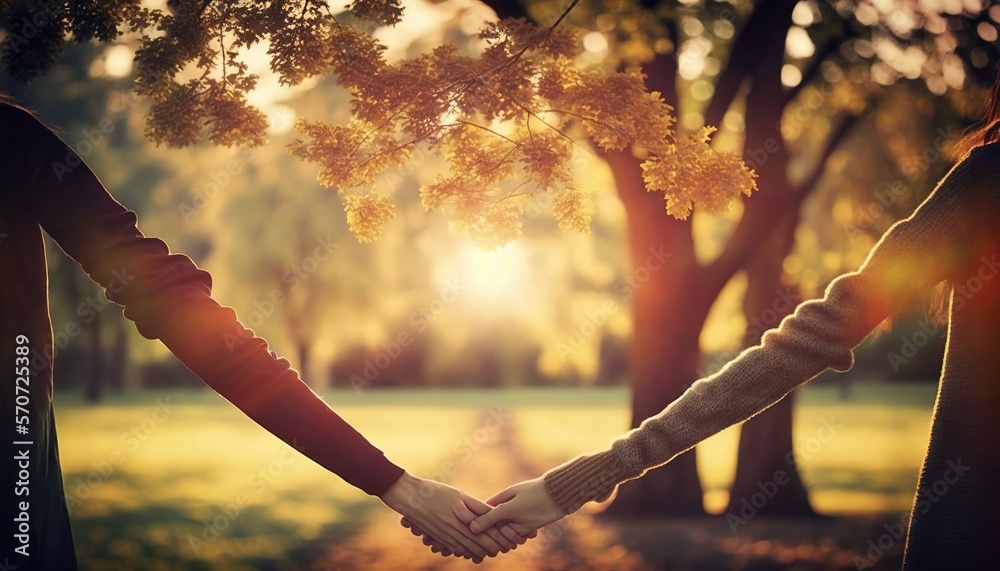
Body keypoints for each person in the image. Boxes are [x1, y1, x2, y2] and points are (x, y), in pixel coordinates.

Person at [462, 74, 1000, 569]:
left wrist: (574, 484)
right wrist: (580, 481)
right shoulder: (986, 188)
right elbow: (805, 343)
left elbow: (806, 344)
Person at [0, 96, 524, 569]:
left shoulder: (13, 142)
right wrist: (395, 484)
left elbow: (182, 313)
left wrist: (391, 481)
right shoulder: (13, 139)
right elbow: (181, 314)